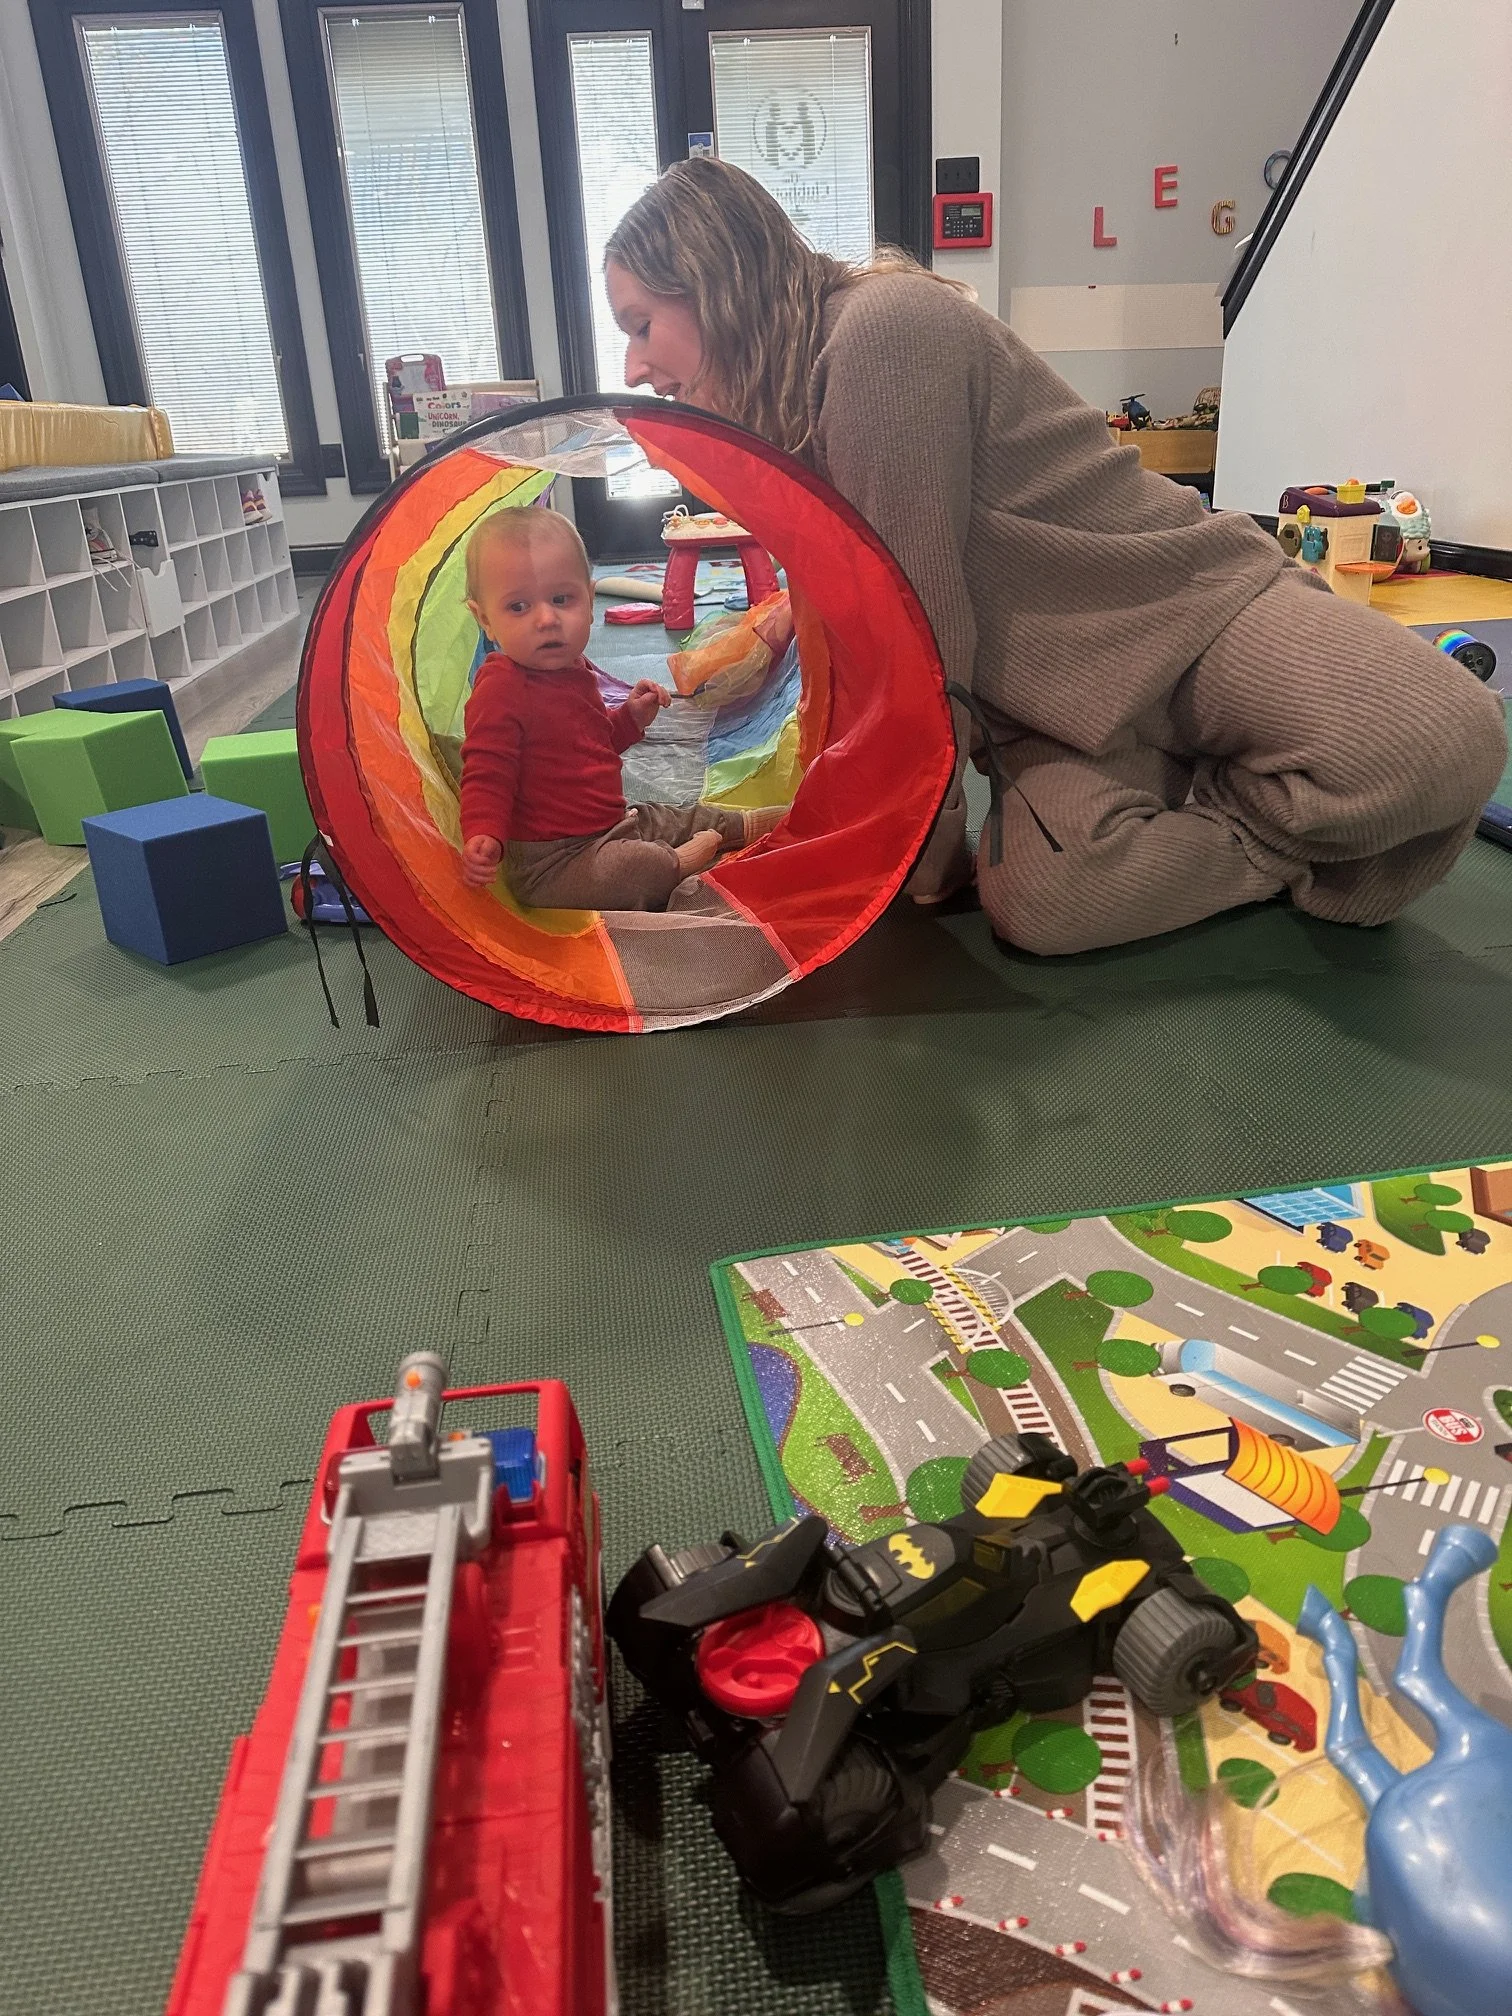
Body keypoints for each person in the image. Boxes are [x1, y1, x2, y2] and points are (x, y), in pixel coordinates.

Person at [602, 159, 1506, 952]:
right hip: (1053, 709)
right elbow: (854, 633)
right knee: (1041, 907)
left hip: (1187, 611)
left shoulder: (879, 330)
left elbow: (919, 634)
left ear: (715, 285)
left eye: (642, 324)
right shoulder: (797, 420)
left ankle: (1239, 791)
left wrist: (920, 840)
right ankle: (1251, 816)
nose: (635, 366)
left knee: (1448, 739)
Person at [459, 508, 772, 910]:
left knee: (674, 817)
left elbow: (593, 744)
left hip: (611, 823)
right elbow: (487, 770)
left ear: (589, 601)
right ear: (484, 618)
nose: (547, 619)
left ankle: (755, 824)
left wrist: (630, 719)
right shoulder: (501, 687)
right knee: (633, 868)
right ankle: (683, 861)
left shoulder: (575, 668)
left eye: (561, 599)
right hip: (555, 862)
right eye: (518, 607)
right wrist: (484, 832)